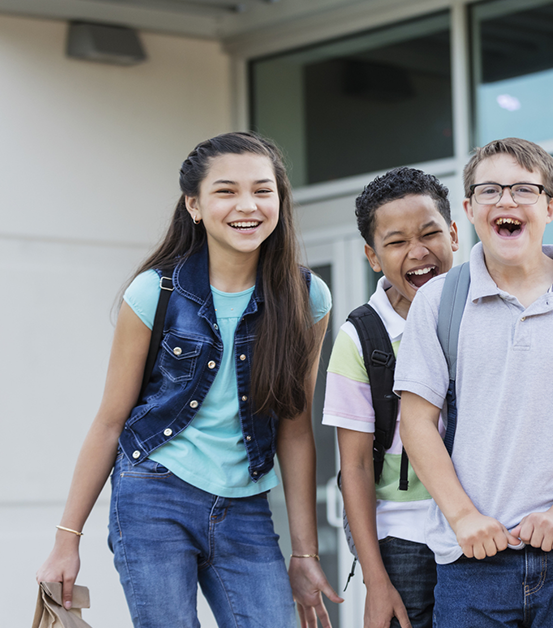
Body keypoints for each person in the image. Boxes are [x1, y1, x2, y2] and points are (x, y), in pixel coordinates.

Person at [35, 132, 343, 628]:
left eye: (263, 191)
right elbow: (111, 422)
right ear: (194, 206)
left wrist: (305, 555)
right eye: (227, 191)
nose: (248, 205)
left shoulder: (306, 297)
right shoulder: (155, 292)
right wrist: (66, 540)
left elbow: (296, 428)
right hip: (153, 493)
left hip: (245, 505)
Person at [323, 166, 553, 628]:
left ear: (455, 233)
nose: (418, 252)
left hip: (493, 529)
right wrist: (375, 580)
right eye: (397, 242)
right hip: (408, 535)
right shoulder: (363, 336)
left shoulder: (477, 303)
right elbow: (355, 467)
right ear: (372, 256)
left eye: (430, 234)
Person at [394, 138, 553, 627]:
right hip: (471, 563)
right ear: (468, 209)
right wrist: (463, 517)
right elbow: (417, 420)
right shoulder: (440, 300)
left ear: (549, 207)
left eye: (523, 190)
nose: (506, 201)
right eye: (489, 190)